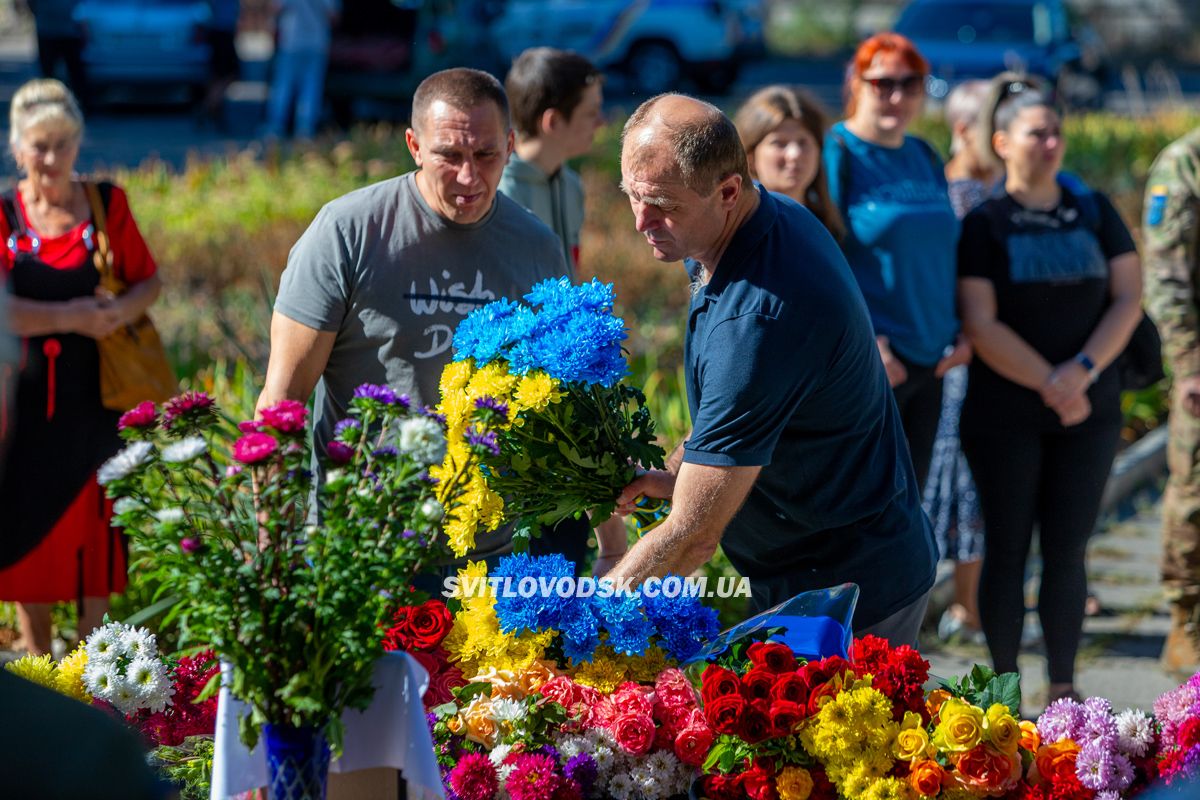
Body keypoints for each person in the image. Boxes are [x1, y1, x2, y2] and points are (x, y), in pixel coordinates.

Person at [609, 93, 937, 646]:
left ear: (729, 191)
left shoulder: (757, 316)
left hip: (850, 591)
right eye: (632, 196)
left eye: (661, 203)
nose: (642, 220)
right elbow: (752, 408)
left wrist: (583, 618)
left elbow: (692, 539)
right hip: (815, 562)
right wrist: (681, 476)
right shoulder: (757, 217)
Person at [257, 67, 612, 570]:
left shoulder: (536, 248)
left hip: (493, 554)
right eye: (450, 155)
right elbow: (281, 402)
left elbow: (570, 402)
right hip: (363, 543)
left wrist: (612, 542)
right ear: (414, 146)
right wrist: (275, 552)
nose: (469, 176)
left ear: (510, 145)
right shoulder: (347, 232)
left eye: (486, 154)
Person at [957, 83, 1142, 702]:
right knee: (1007, 547)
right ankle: (1003, 697)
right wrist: (1051, 381)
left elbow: (1128, 296)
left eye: (1056, 131)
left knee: (1068, 551)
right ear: (1003, 143)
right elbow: (980, 322)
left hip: (1088, 410)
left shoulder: (1092, 208)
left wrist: (1081, 372)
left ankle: (1064, 692)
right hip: (1005, 414)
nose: (1051, 142)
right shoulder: (986, 223)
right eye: (1036, 132)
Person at [0, 79, 163, 655]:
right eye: (39, 145)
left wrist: (116, 311)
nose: (51, 158)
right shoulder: (5, 213)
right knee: (23, 523)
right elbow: (4, 311)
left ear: (78, 143)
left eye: (63, 144)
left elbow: (149, 279)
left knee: (97, 527)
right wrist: (75, 314)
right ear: (17, 148)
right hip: (23, 401)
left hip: (100, 395)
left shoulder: (105, 203)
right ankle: (38, 656)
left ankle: (97, 663)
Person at [824, 33, 969, 489]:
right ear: (856, 82)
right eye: (882, 82)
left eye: (911, 84)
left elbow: (945, 250)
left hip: (935, 357)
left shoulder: (923, 154)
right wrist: (870, 341)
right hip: (875, 360)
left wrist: (963, 330)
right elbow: (822, 259)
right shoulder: (838, 151)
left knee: (912, 503)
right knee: (867, 501)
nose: (896, 95)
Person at [926, 78, 1000, 643]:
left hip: (993, 358)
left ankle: (973, 608)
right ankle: (955, 608)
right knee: (953, 476)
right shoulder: (951, 195)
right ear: (961, 129)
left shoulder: (995, 190)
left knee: (977, 479)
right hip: (959, 357)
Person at [1143, 125, 1200, 675]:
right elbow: (1165, 275)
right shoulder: (1186, 163)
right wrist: (1188, 362)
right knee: (1195, 490)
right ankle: (1186, 621)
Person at [499, 47, 604, 271]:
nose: (601, 123)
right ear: (553, 122)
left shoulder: (571, 185)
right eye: (591, 113)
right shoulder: (501, 196)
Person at [733, 84, 845, 240]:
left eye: (803, 142)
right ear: (750, 156)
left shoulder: (828, 225)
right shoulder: (734, 230)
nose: (794, 154)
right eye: (779, 143)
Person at [264, 0, 340, 139]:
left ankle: (276, 127)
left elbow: (275, 8)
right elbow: (333, 15)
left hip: (291, 42)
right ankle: (305, 129)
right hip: (317, 42)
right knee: (311, 88)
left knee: (283, 86)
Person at [27, 0, 86, 100]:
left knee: (76, 75)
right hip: (48, 31)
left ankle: (78, 104)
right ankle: (48, 103)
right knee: (48, 75)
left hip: (70, 31)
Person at [198, 0, 242, 129]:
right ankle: (209, 106)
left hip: (220, 31)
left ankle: (211, 106)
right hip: (222, 32)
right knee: (228, 73)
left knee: (220, 75)